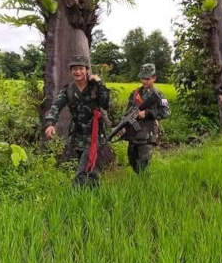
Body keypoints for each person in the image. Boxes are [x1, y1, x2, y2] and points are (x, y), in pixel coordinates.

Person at [44, 55, 110, 187]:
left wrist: (100, 83)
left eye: (80, 68)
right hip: (78, 135)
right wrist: (51, 124)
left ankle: (75, 191)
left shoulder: (95, 87)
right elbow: (56, 106)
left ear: (87, 70)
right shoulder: (68, 90)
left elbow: (105, 104)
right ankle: (94, 192)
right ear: (71, 71)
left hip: (94, 135)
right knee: (90, 168)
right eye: (74, 69)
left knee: (84, 168)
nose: (77, 72)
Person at [123, 63, 170, 174]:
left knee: (143, 164)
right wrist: (124, 123)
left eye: (147, 79)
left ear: (154, 78)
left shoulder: (160, 95)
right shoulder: (134, 93)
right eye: (142, 78)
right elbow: (127, 111)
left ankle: (144, 181)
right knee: (132, 160)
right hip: (133, 134)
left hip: (148, 135)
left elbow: (166, 112)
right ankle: (139, 180)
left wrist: (148, 113)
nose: (144, 81)